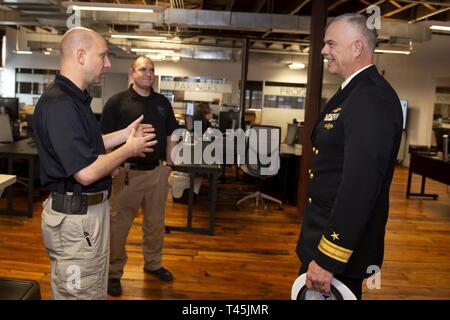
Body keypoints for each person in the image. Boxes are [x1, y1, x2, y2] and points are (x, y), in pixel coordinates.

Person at [33, 28, 157, 300]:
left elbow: (87, 145)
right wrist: (129, 149)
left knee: (91, 291)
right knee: (78, 295)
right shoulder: (60, 104)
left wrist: (123, 135)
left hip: (88, 218)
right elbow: (86, 171)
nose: (108, 63)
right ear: (80, 55)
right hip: (77, 221)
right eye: (103, 55)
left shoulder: (74, 100)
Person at [296, 13, 403, 299]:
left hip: (338, 254)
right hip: (321, 241)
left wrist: (329, 258)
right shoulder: (354, 92)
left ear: (357, 48)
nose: (323, 51)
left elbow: (360, 186)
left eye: (331, 43)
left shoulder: (370, 98)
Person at [100, 56, 179, 297]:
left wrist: (169, 161)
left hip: (156, 173)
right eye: (143, 69)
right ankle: (113, 274)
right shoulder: (117, 102)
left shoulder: (163, 102)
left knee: (155, 225)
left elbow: (172, 132)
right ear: (132, 73)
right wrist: (111, 167)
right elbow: (103, 138)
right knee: (118, 227)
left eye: (151, 69)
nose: (148, 73)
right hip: (126, 175)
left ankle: (153, 265)